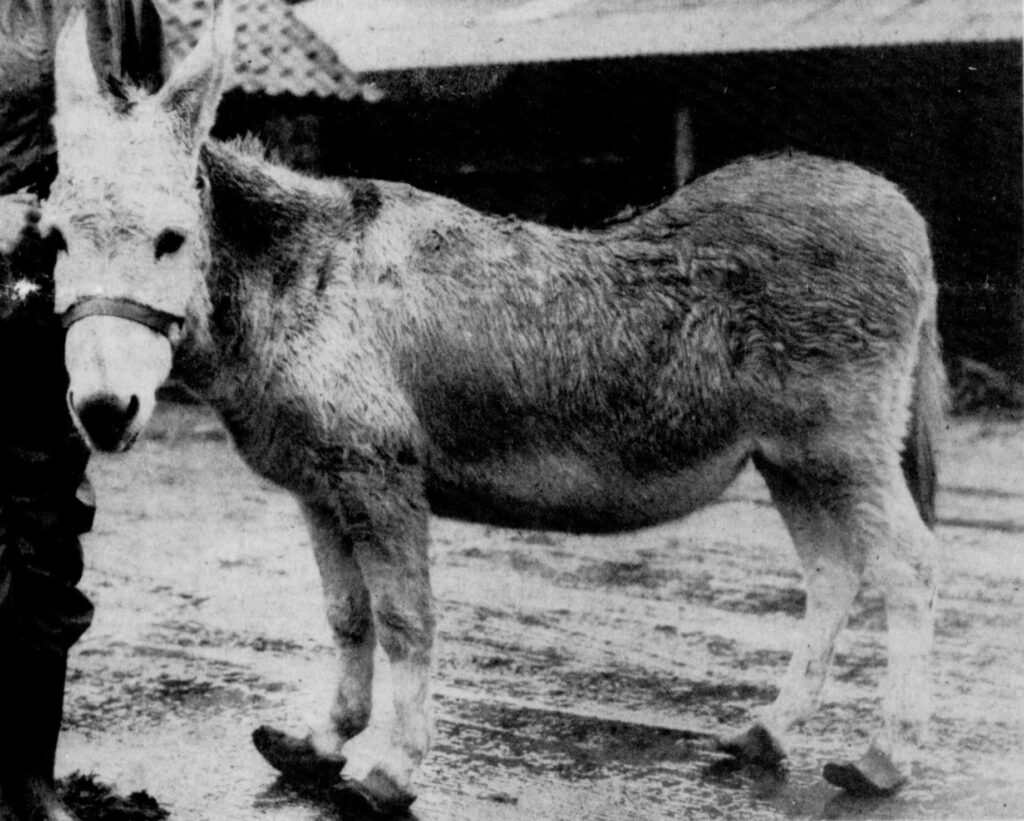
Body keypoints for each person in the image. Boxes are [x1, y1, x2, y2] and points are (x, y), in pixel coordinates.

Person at [1, 0, 109, 817]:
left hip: (47, 310)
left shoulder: (113, 7)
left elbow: (145, 142)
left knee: (45, 537)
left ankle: (30, 779)